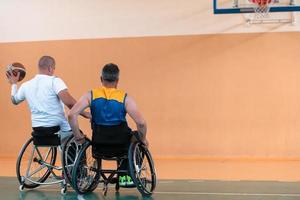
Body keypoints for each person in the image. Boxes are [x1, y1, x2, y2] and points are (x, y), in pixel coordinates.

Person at [68, 63, 147, 187]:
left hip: (99, 145)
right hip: (121, 146)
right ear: (117, 81)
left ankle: (123, 174)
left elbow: (72, 115)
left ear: (101, 79)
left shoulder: (90, 95)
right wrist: (143, 140)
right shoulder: (125, 98)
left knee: (134, 137)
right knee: (138, 137)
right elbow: (141, 123)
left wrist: (78, 137)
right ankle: (126, 175)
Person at [6, 55, 90, 145]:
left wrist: (14, 84)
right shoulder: (54, 81)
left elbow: (14, 100)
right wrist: (85, 113)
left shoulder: (26, 85)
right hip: (57, 126)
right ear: (50, 68)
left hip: (37, 128)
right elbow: (69, 103)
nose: (53, 71)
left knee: (65, 133)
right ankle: (78, 158)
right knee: (79, 137)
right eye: (53, 68)